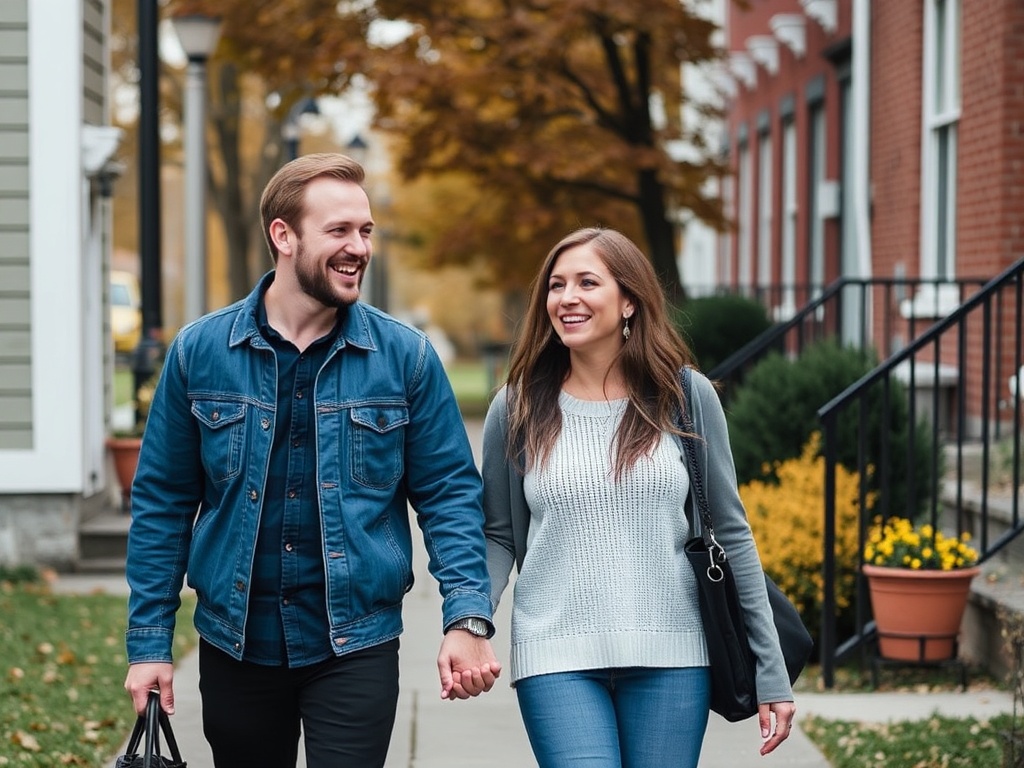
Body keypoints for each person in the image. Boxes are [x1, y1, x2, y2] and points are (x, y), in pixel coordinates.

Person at [123, 153, 500, 767]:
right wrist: (149, 643)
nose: (360, 247)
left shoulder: (405, 358)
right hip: (234, 642)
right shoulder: (201, 352)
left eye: (367, 230)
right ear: (284, 236)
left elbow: (450, 495)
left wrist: (465, 617)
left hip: (355, 644)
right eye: (340, 231)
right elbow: (162, 502)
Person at [482, 227, 795, 767]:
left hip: (673, 656)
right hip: (556, 654)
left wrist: (772, 671)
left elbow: (731, 531)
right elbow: (499, 535)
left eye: (587, 282)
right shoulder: (517, 408)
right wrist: (470, 622)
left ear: (629, 300)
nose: (567, 298)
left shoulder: (684, 397)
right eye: (556, 286)